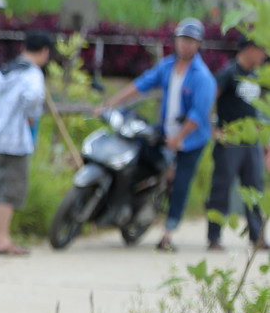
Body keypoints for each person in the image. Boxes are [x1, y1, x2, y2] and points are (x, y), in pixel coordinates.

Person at [98, 17, 216, 251]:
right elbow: (140, 85)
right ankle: (127, 208)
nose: (185, 44)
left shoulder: (203, 77)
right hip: (165, 132)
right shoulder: (167, 66)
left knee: (180, 183)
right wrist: (110, 103)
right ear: (176, 40)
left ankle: (168, 234)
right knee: (139, 159)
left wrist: (179, 138)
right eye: (182, 39)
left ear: (198, 43)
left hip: (190, 139)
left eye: (191, 41)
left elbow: (198, 115)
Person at [0, 30, 52, 256]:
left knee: (1, 186)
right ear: (44, 51)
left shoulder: (5, 69)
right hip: (15, 137)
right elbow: (33, 98)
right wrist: (30, 114)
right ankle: (1, 239)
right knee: (10, 189)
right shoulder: (32, 74)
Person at [206, 35, 268, 251]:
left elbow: (262, 109)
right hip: (230, 142)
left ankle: (257, 237)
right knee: (221, 188)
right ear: (249, 48)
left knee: (254, 189)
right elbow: (207, 100)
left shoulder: (258, 75)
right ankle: (214, 237)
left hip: (252, 143)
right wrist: (214, 131)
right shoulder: (229, 73)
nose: (264, 55)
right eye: (261, 49)